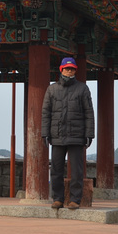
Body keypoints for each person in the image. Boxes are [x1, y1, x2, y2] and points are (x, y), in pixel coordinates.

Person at [41, 57, 95, 209]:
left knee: (77, 171)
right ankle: (57, 199)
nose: (69, 71)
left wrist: (89, 134)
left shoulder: (82, 89)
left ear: (75, 70)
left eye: (72, 68)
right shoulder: (51, 89)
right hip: (57, 135)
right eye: (67, 68)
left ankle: (75, 200)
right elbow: (46, 113)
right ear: (61, 69)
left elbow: (89, 113)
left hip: (77, 136)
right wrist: (45, 133)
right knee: (56, 170)